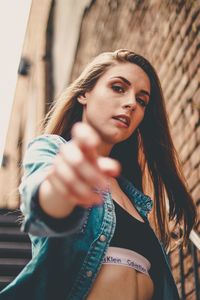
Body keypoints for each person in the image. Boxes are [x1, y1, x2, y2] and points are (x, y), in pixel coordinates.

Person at [0, 49, 196, 300]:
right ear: (84, 93)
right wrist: (63, 185)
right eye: (118, 87)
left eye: (142, 100)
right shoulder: (53, 151)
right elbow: (43, 202)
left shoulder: (133, 195)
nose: (131, 103)